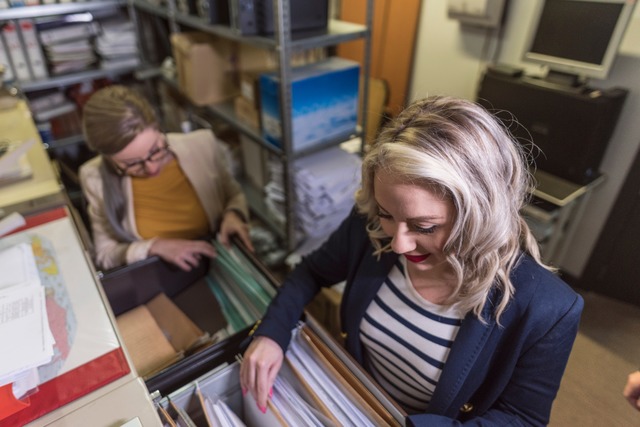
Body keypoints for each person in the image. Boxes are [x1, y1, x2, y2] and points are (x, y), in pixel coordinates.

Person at [240, 95, 584, 425]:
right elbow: (311, 272)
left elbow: (521, 418)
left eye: (425, 226)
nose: (399, 244)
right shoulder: (373, 226)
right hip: (355, 399)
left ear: (481, 214)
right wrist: (272, 332)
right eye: (388, 214)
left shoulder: (548, 309)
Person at [79, 85, 252, 272]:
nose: (151, 168)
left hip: (215, 264)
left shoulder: (202, 145)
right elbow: (105, 255)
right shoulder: (94, 177)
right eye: (132, 164)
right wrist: (154, 247)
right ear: (108, 158)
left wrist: (233, 214)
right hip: (156, 274)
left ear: (158, 127)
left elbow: (233, 194)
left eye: (155, 150)